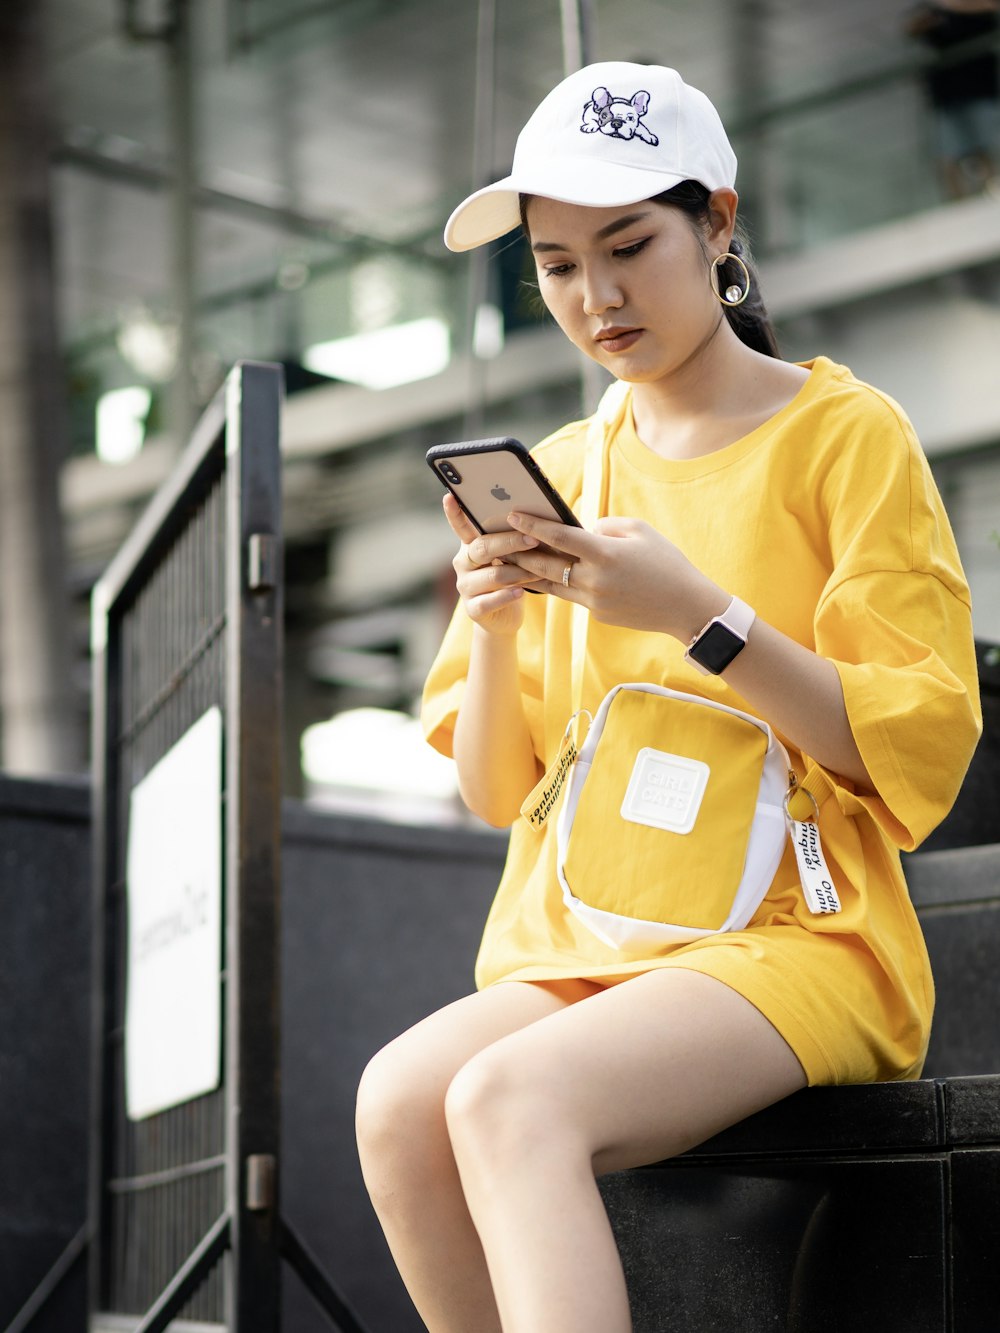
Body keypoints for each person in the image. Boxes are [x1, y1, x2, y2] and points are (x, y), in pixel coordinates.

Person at [355, 61, 982, 1332]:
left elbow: (908, 746)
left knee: (505, 1100)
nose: (597, 296)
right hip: (592, 944)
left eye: (630, 243)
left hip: (802, 936)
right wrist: (488, 626)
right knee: (395, 1101)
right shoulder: (570, 472)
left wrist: (699, 617)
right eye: (556, 262)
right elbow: (492, 793)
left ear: (720, 224)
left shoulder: (842, 436)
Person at [907, 0, 1000, 198]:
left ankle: (991, 190)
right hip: (947, 94)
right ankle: (959, 202)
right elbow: (913, 28)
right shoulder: (934, 12)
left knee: (983, 146)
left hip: (978, 86)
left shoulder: (976, 11)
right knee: (949, 153)